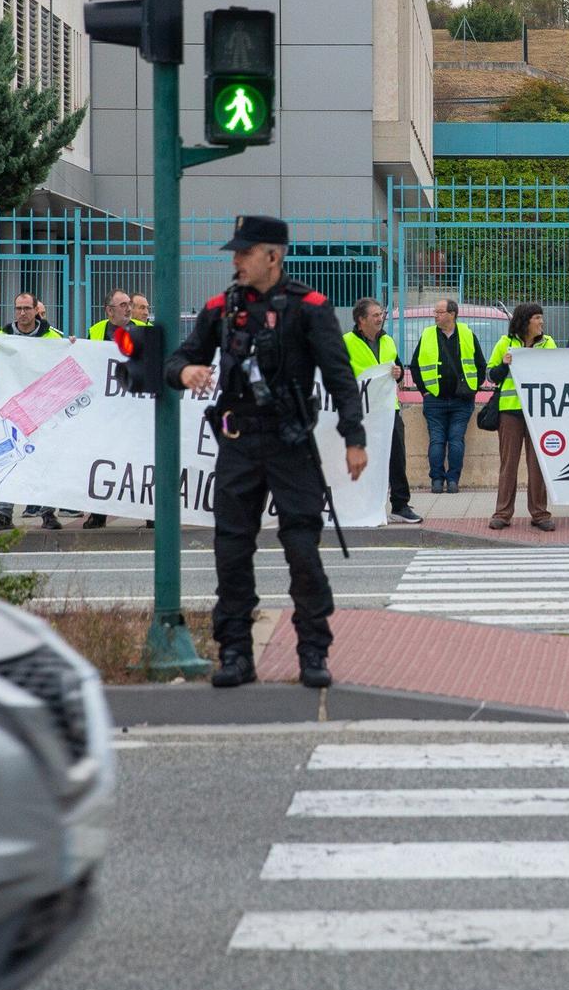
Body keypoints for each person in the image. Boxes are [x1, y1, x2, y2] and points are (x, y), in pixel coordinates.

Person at [166, 216, 367, 690]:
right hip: (237, 445)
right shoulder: (221, 308)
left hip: (291, 445)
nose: (235, 260)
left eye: (244, 252)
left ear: (272, 256)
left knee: (301, 547)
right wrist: (186, 373)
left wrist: (355, 439)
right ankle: (235, 652)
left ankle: (313, 650)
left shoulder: (310, 308)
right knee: (231, 549)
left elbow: (340, 377)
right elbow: (179, 356)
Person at [0, 292, 64, 532]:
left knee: (45, 462)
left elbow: (64, 366)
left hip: (43, 410)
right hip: (12, 410)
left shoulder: (52, 337)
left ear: (36, 310)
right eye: (18, 308)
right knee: (9, 461)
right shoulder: (3, 338)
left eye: (26, 308)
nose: (22, 313)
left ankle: (48, 513)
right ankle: (3, 513)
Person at [346, 297, 420, 524]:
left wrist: (397, 373)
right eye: (375, 315)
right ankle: (362, 507)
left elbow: (396, 367)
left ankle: (400, 505)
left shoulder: (388, 340)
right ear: (361, 320)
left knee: (396, 457)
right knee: (364, 461)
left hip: (388, 409)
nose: (380, 318)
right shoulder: (346, 342)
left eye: (381, 314)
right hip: (360, 412)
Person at [486, 303, 556, 532]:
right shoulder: (504, 344)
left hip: (538, 412)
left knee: (537, 465)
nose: (541, 322)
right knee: (509, 465)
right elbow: (491, 376)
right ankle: (502, 514)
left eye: (541, 317)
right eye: (537, 317)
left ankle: (540, 513)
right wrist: (504, 365)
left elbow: (557, 373)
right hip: (511, 411)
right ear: (525, 320)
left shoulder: (549, 344)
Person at [411, 299, 484, 495]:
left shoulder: (467, 335)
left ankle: (453, 480)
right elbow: (415, 366)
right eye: (435, 312)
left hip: (462, 401)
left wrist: (473, 389)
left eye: (439, 312)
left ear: (452, 314)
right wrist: (424, 391)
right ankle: (436, 480)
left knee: (456, 440)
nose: (435, 315)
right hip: (435, 399)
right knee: (437, 440)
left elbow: (480, 366)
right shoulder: (427, 335)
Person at [83, 290, 135, 528]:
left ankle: (149, 514)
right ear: (109, 310)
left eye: (129, 304)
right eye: (123, 304)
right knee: (102, 460)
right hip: (104, 411)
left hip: (133, 410)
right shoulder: (96, 332)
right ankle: (99, 512)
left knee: (138, 459)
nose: (128, 308)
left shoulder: (141, 330)